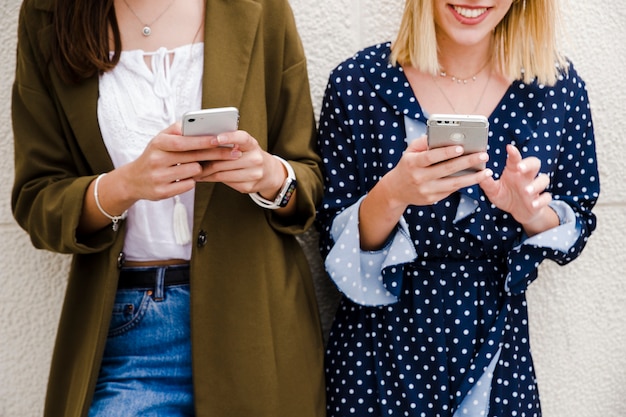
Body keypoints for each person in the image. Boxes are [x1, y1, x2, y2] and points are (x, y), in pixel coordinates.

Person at [11, 0, 325, 415]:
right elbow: (36, 200)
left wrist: (268, 176)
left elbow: (310, 181)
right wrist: (125, 185)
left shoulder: (260, 8)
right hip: (128, 334)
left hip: (255, 325)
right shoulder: (48, 13)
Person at [316, 0, 599, 416]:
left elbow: (579, 219)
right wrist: (393, 193)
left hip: (498, 350)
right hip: (377, 353)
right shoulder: (357, 83)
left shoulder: (557, 87)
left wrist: (531, 212)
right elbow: (332, 244)